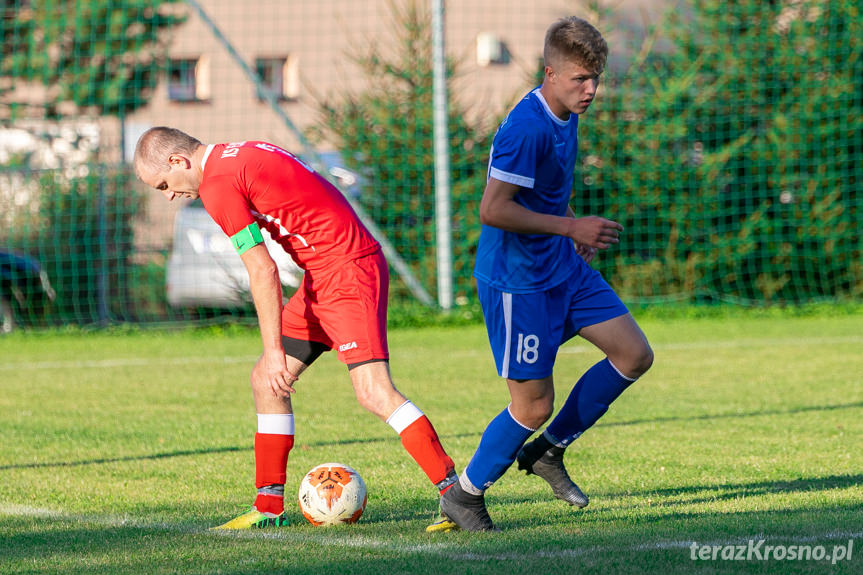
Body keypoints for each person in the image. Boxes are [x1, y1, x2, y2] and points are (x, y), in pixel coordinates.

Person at [134, 128, 458, 529]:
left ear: (178, 161)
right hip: (325, 273)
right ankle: (268, 508)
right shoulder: (241, 150)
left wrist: (274, 352)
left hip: (347, 270)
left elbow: (262, 269)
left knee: (374, 392)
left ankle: (457, 497)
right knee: (264, 382)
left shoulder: (216, 184)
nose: (168, 195)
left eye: (164, 184)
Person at [439, 16, 654, 531]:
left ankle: (549, 453)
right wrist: (569, 227)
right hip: (519, 281)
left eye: (596, 78)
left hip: (561, 268)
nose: (591, 90)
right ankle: (465, 495)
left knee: (633, 354)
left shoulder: (567, 115)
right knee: (532, 405)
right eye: (580, 79)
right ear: (549, 72)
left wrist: (572, 233)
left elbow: (552, 189)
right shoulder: (526, 127)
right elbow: (492, 209)